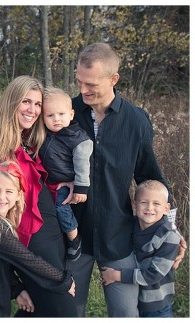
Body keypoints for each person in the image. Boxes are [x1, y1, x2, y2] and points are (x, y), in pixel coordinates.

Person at [69, 42, 187, 317]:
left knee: (126, 315)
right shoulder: (67, 114)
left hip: (119, 236)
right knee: (67, 313)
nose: (83, 90)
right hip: (73, 236)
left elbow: (151, 177)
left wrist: (172, 229)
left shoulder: (136, 121)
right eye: (79, 82)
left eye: (91, 84)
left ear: (113, 79)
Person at [0, 75, 78, 316]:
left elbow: (35, 185)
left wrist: (64, 184)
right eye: (26, 102)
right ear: (11, 102)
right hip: (30, 243)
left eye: (37, 104)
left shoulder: (31, 142)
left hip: (52, 238)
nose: (32, 110)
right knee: (63, 312)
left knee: (39, 310)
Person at [0, 161, 75, 317]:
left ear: (19, 195)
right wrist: (64, 280)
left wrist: (17, 289)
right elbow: (27, 260)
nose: (2, 197)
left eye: (9, 192)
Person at [101, 180, 181, 317]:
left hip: (157, 304)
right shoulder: (132, 225)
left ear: (166, 208)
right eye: (144, 202)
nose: (149, 208)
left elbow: (153, 274)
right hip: (137, 299)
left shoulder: (169, 237)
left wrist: (117, 275)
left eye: (156, 203)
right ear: (134, 204)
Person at [39, 87, 93, 262]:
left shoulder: (77, 138)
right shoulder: (46, 134)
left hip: (65, 183)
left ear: (71, 114)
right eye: (50, 116)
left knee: (61, 208)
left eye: (61, 114)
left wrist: (81, 188)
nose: (56, 119)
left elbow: (82, 164)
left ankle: (74, 239)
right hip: (48, 182)